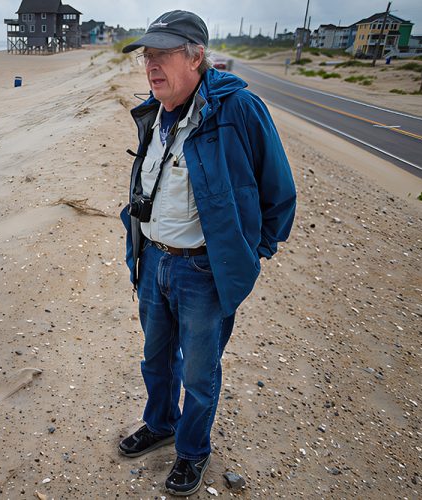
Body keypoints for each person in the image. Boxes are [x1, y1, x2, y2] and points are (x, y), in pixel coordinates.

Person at [118, 10, 296, 496]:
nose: (151, 66)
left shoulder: (238, 109)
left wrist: (251, 252)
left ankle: (192, 451)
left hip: (203, 270)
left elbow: (278, 192)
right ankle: (160, 423)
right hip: (154, 260)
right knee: (155, 361)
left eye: (162, 55)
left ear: (196, 56)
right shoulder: (155, 109)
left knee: (199, 374)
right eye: (147, 56)